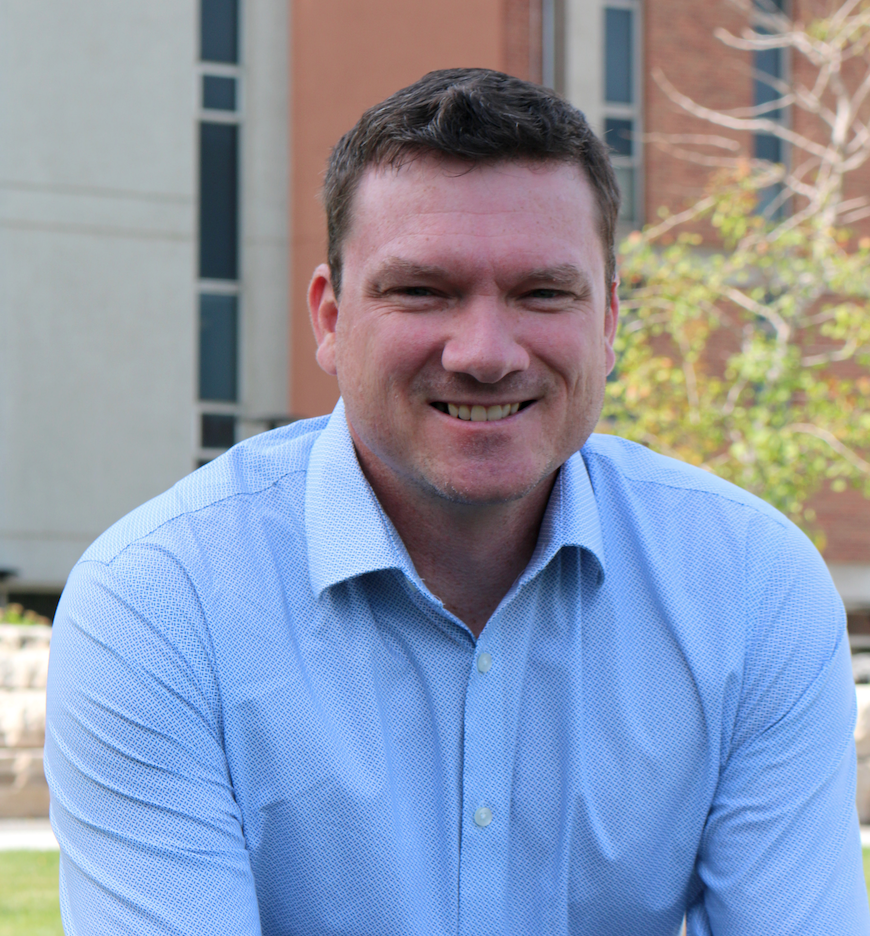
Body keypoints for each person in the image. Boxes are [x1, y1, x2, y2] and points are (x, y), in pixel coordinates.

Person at [45, 68, 868, 935]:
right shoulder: (160, 606)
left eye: (542, 293)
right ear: (329, 319)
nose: (484, 353)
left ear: (609, 322)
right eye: (422, 291)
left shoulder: (754, 589)